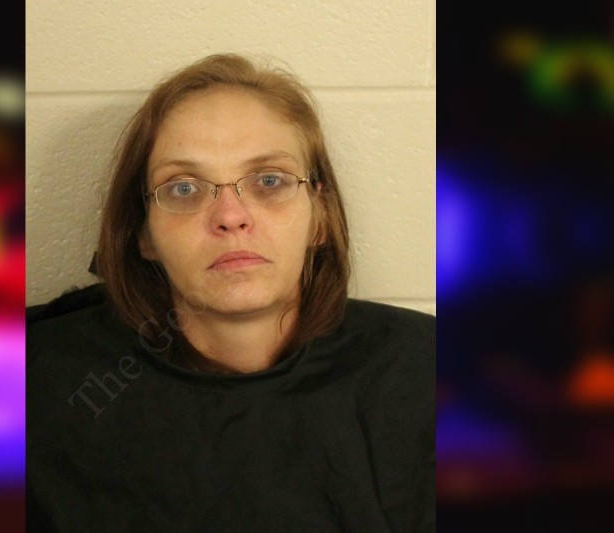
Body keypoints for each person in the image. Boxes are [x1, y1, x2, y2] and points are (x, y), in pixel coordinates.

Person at [27, 53, 435, 532]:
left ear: (319, 218)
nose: (230, 216)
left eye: (269, 181)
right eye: (184, 188)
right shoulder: (30, 385)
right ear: (143, 234)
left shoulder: (429, 373)